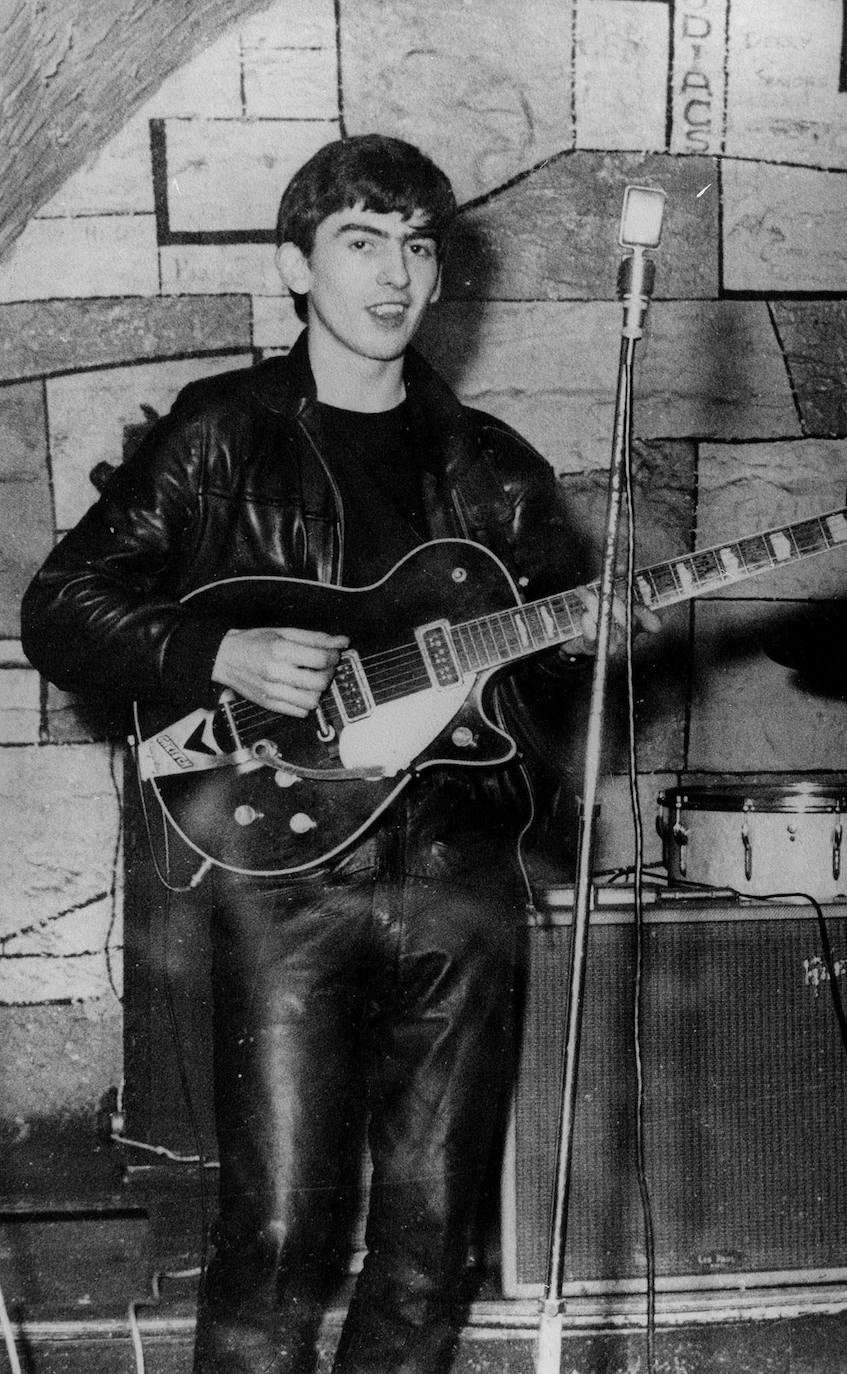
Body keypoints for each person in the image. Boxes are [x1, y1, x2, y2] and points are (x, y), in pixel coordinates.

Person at [21, 134, 655, 1374]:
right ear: (295, 266)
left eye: (419, 245)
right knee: (274, 1230)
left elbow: (553, 670)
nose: (397, 275)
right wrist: (215, 652)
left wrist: (596, 635)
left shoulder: (490, 467)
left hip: (460, 875)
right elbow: (62, 606)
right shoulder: (220, 434)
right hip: (285, 875)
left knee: (432, 1243)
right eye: (362, 241)